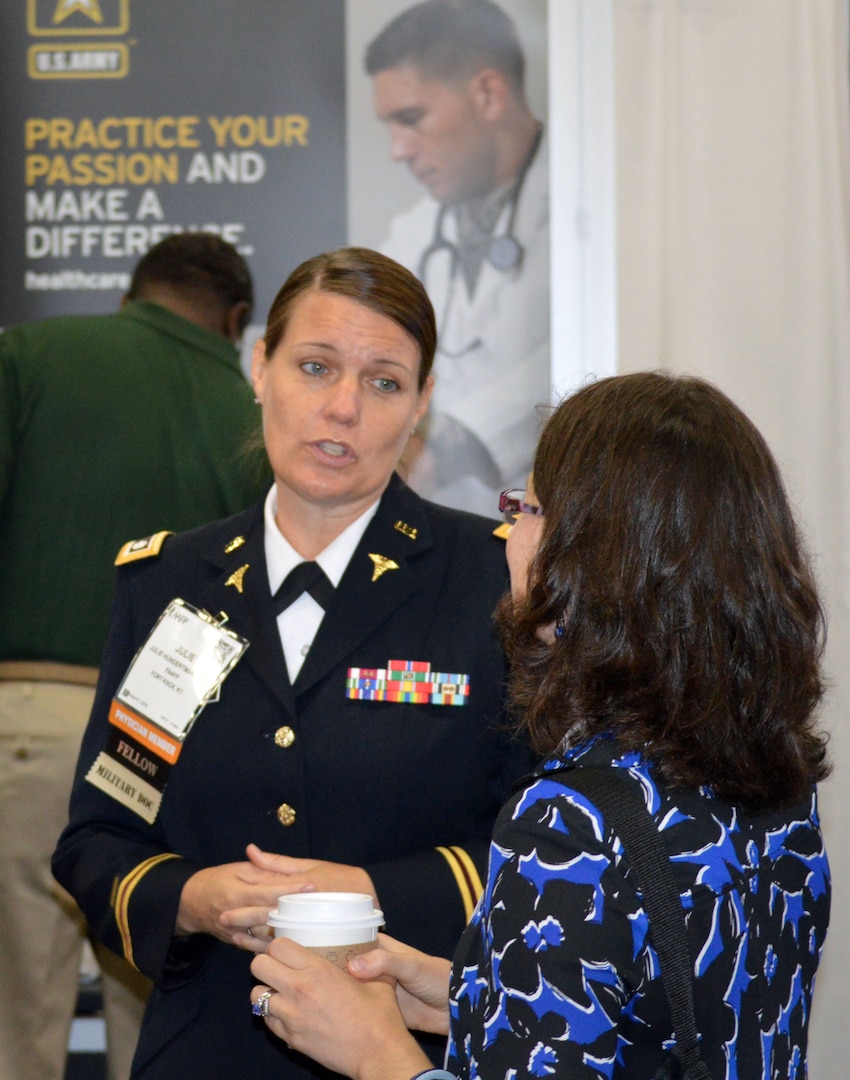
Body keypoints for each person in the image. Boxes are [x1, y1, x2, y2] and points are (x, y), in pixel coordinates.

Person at [249, 372, 832, 1079]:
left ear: (596, 559)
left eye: (528, 510)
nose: (509, 533)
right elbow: (669, 1021)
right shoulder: (775, 778)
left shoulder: (569, 820)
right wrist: (470, 992)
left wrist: (378, 1055)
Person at [52, 247, 530, 1080]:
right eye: (314, 366)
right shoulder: (168, 583)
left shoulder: (490, 584)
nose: (342, 407)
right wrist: (191, 898)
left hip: (409, 1050)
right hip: (204, 1049)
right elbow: (99, 840)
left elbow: (542, 851)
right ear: (259, 369)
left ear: (420, 407)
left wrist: (369, 893)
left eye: (383, 382)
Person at [0, 232, 265, 1080]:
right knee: (161, 1003)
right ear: (234, 324)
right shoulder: (254, 415)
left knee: (16, 1022)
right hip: (175, 736)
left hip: (30, 717)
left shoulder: (33, 354)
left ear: (131, 298)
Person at [365, 0, 549, 515]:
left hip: (552, 533)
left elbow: (589, 370)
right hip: (443, 530)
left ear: (488, 94)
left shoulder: (591, 215)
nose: (397, 151)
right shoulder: (414, 233)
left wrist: (456, 434)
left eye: (410, 119)